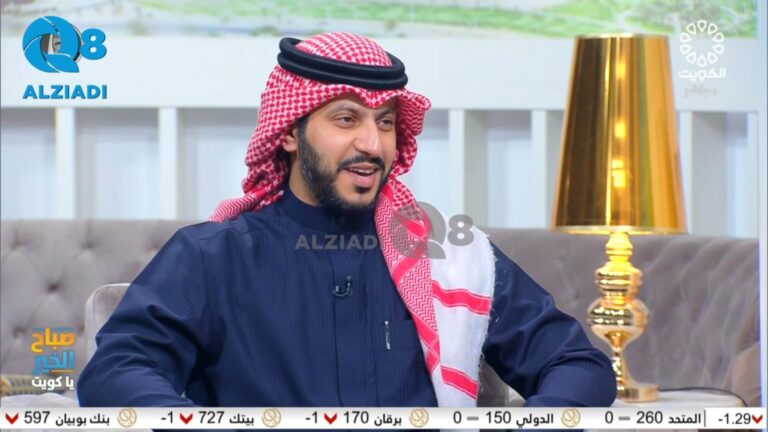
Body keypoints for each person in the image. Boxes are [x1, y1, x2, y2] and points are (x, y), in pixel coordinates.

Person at [78, 32, 616, 409]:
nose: (372, 144)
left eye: (385, 122)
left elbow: (578, 367)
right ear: (289, 133)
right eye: (345, 119)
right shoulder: (213, 257)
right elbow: (116, 371)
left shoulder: (451, 256)